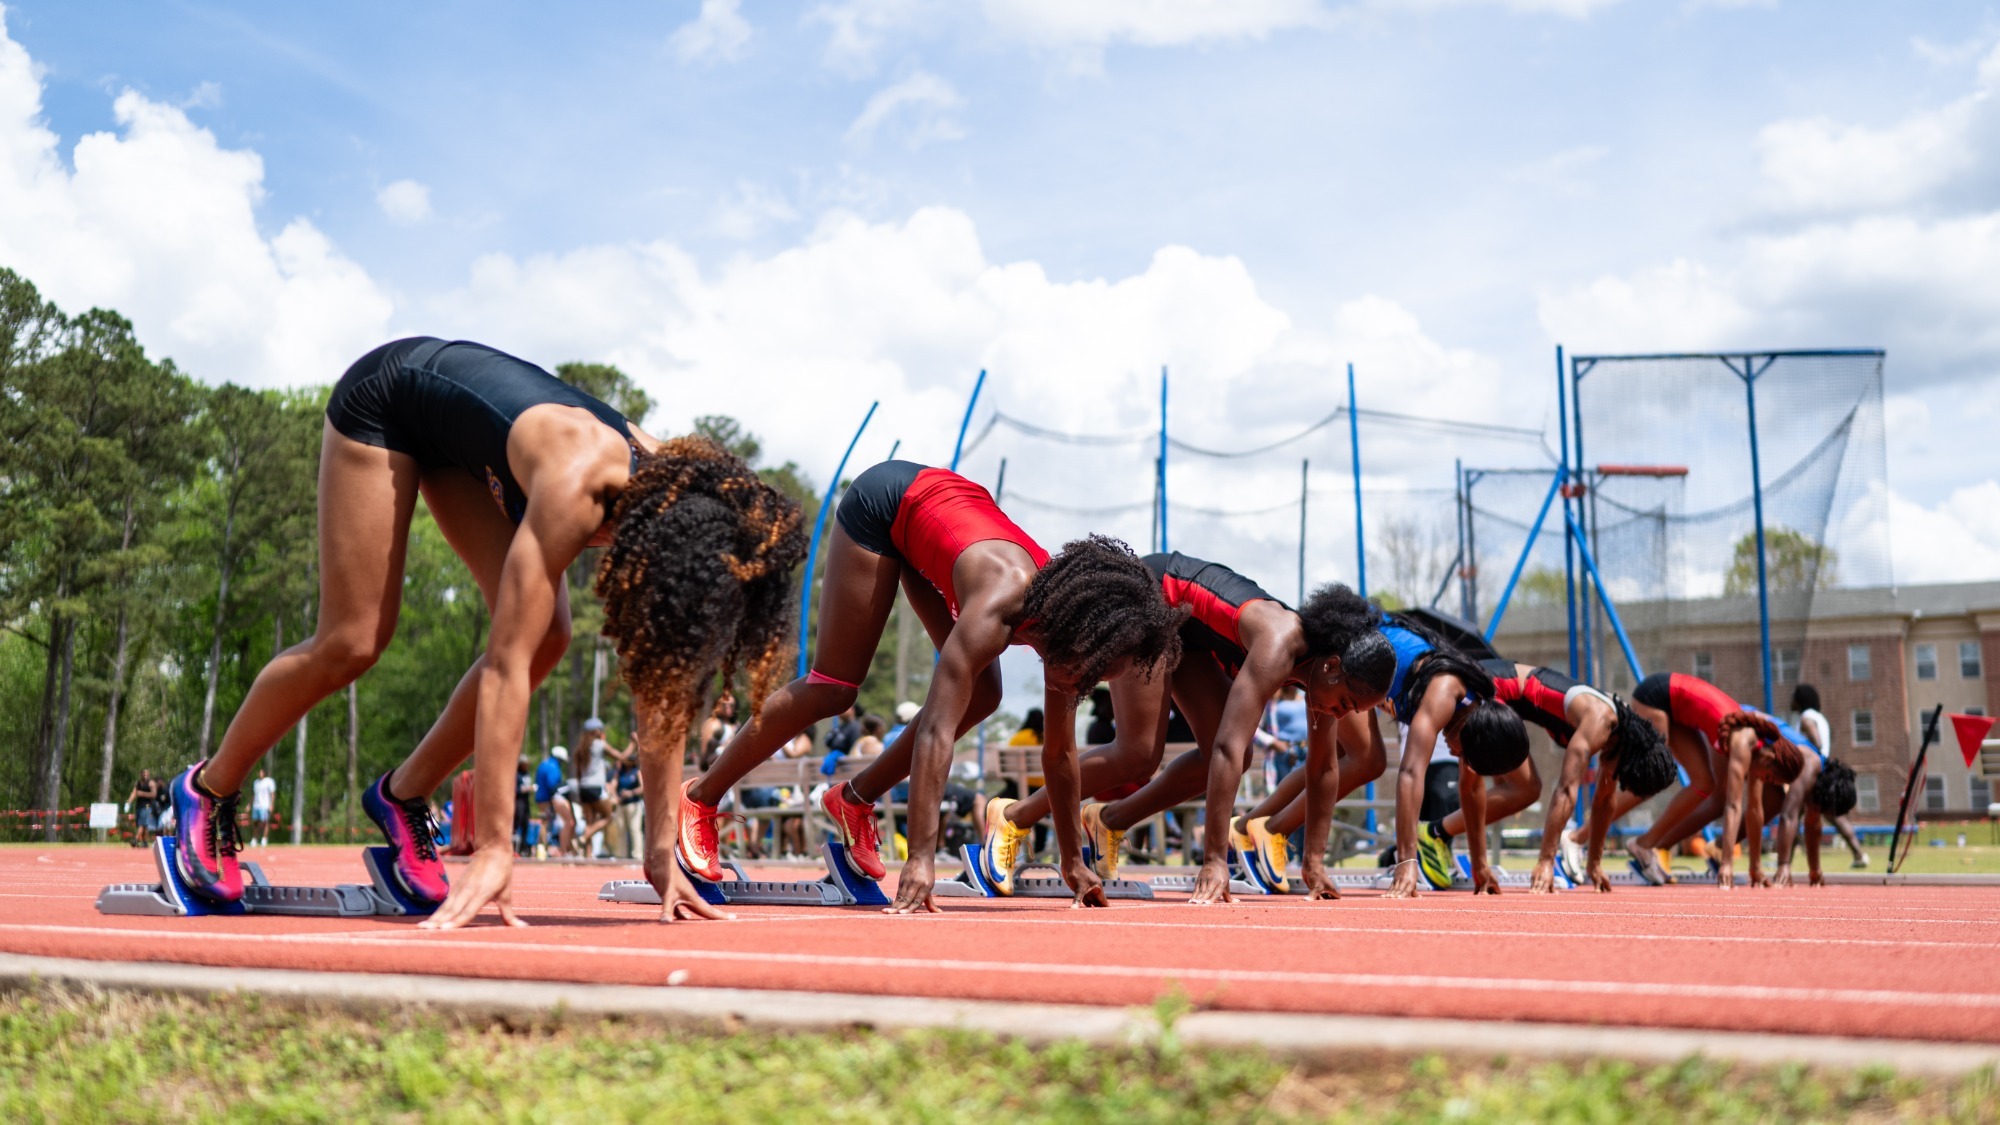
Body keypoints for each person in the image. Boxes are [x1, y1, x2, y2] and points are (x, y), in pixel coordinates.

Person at [165, 337, 804, 929]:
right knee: (354, 640)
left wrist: (662, 850)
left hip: (467, 448)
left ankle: (401, 795)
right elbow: (505, 665)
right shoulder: (580, 483)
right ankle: (208, 788)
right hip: (391, 401)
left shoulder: (685, 495)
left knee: (552, 634)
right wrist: (496, 845)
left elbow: (659, 686)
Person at [677, 460, 1184, 913]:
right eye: (1085, 672)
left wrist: (1071, 861)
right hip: (886, 505)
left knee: (985, 695)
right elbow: (935, 731)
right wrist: (921, 858)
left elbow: (1060, 754)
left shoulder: (1067, 640)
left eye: (1092, 681)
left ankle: (853, 800)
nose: (1080, 685)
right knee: (836, 687)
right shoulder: (998, 608)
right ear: (1073, 636)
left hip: (946, 524)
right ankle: (701, 796)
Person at [984, 558, 1396, 903]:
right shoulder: (1278, 644)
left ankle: (1110, 820)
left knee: (1233, 756)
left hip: (1193, 638)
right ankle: (1013, 816)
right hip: (1156, 599)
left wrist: (1315, 863)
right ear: (1332, 666)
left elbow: (1323, 769)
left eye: (1350, 711)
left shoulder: (1320, 682)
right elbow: (1227, 747)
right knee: (1138, 753)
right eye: (1343, 703)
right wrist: (1214, 859)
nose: (1340, 715)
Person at [1470, 661, 1677, 894]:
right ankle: (1436, 833)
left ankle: (1438, 832)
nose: (1613, 776)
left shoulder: (1621, 733)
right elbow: (1567, 789)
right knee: (1525, 788)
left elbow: (1604, 800)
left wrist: (1595, 864)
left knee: (1521, 787)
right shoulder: (1598, 722)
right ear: (1629, 756)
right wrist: (1547, 861)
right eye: (1620, 773)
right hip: (1491, 687)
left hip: (1507, 702)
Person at [1614, 674, 1807, 891]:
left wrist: (1755, 866)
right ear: (1770, 759)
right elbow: (1733, 806)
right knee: (1655, 777)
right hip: (1658, 696)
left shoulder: (1759, 751)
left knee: (1705, 786)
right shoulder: (1743, 742)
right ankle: (1580, 836)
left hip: (1681, 712)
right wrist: (1726, 864)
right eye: (1770, 777)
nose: (1765, 781)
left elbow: (1754, 809)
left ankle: (1646, 844)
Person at [1791, 683, 1869, 868]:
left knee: (1791, 813)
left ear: (1800, 699)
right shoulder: (1820, 717)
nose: (1790, 700)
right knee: (1830, 815)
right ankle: (1859, 854)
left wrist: (1806, 757)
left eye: (1794, 696)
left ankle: (1784, 861)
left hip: (1812, 772)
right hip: (1823, 772)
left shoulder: (1806, 718)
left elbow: (1816, 742)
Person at [573, 720, 619, 857]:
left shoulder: (580, 748)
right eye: (601, 730)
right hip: (595, 788)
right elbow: (621, 756)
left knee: (590, 821)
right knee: (608, 816)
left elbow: (578, 774)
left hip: (583, 788)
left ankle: (588, 855)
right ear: (596, 731)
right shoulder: (599, 744)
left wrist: (580, 797)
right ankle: (582, 837)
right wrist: (634, 743)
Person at [534, 745, 575, 856]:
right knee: (551, 823)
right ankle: (550, 849)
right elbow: (553, 785)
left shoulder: (544, 764)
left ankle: (541, 848)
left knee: (545, 822)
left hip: (540, 798)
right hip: (547, 799)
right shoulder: (553, 767)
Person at [610, 736, 644, 860]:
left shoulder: (636, 771)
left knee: (635, 830)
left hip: (633, 804)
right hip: (621, 804)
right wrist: (616, 796)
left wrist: (631, 793)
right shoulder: (619, 772)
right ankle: (621, 856)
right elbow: (612, 785)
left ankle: (637, 856)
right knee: (620, 830)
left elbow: (642, 788)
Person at [127, 769, 162, 848]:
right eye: (143, 774)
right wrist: (129, 801)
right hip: (139, 805)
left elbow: (154, 795)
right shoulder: (138, 783)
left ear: (148, 774)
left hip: (147, 805)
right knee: (143, 824)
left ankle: (135, 839)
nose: (145, 775)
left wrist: (142, 794)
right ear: (141, 774)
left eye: (146, 774)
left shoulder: (151, 783)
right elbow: (134, 792)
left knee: (142, 823)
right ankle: (144, 842)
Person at [249, 769, 278, 849]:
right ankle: (254, 840)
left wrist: (271, 804)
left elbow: (272, 794)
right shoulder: (256, 782)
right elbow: (254, 795)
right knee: (255, 823)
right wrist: (249, 805)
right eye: (259, 772)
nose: (260, 773)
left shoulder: (269, 781)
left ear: (265, 773)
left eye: (262, 772)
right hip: (256, 805)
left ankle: (264, 840)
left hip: (265, 805)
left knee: (265, 822)